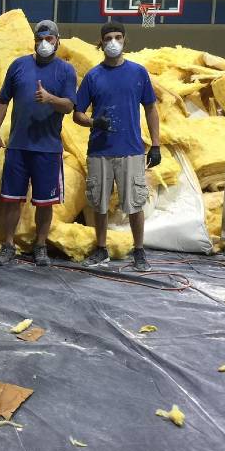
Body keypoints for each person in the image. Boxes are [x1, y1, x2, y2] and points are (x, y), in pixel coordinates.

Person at [73, 21, 161, 272]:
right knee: (98, 203)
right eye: (109, 37)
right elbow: (77, 114)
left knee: (134, 203)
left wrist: (155, 144)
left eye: (118, 37)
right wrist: (93, 121)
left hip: (131, 149)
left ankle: (139, 250)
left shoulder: (138, 73)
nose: (113, 42)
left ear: (125, 40)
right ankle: (101, 249)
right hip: (100, 151)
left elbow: (151, 108)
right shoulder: (93, 76)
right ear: (100, 42)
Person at [0, 20, 76, 268]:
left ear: (57, 41)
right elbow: (3, 100)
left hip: (48, 149)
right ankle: (8, 245)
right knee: (11, 200)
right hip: (18, 146)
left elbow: (70, 106)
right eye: (40, 40)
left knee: (44, 203)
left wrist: (50, 98)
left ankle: (40, 246)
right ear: (34, 42)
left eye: (50, 39)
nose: (45, 44)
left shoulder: (66, 70)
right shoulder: (18, 66)